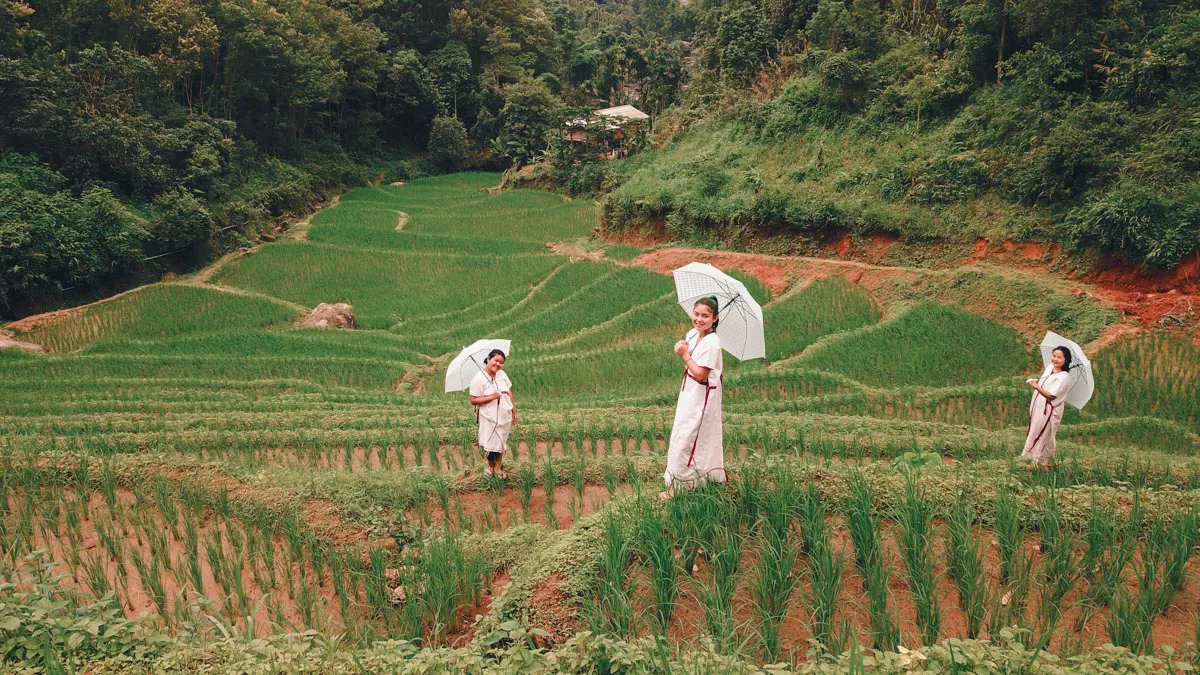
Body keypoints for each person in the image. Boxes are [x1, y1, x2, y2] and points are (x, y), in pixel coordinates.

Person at [661, 296, 725, 500]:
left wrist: (684, 355)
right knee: (682, 433)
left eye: (705, 316)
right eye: (696, 314)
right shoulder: (693, 334)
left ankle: (680, 487)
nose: (699, 319)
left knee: (690, 439)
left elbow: (701, 374)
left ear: (715, 318)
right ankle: (696, 481)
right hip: (689, 393)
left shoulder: (713, 343)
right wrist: (684, 347)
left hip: (701, 397)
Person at [1021, 345, 1073, 470]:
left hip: (1050, 411)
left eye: (1059, 357)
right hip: (1040, 408)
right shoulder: (1050, 368)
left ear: (1066, 360)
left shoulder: (1064, 376)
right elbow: (1045, 385)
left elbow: (1051, 396)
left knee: (1045, 434)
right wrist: (1039, 383)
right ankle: (1046, 462)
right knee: (1042, 433)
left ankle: (1037, 464)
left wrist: (1035, 386)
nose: (1055, 359)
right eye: (1054, 356)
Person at [469, 349, 517, 479]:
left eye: (501, 362)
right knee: (491, 444)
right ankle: (490, 466)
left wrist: (513, 409)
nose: (498, 364)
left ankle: (497, 467)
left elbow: (508, 391)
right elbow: (473, 400)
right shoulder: (478, 378)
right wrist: (492, 396)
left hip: (504, 415)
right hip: (489, 417)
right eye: (496, 360)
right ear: (488, 359)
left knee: (501, 442)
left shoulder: (502, 374)